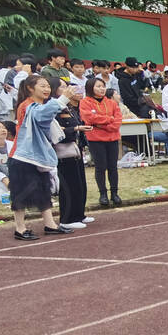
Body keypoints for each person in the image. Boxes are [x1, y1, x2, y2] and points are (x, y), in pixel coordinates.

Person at [8, 75, 79, 240]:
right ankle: (20, 228)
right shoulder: (27, 106)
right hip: (23, 157)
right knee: (21, 193)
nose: (47, 89)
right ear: (30, 89)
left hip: (38, 156)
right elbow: (41, 115)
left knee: (44, 190)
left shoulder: (41, 105)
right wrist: (62, 99)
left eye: (48, 86)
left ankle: (50, 224)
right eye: (42, 86)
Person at [51, 78, 92, 228]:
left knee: (80, 184)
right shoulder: (53, 108)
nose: (68, 89)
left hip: (76, 149)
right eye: (62, 87)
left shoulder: (68, 107)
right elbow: (56, 132)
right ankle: (67, 219)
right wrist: (74, 129)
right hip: (63, 151)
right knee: (68, 186)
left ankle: (79, 214)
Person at [80, 76, 124, 206]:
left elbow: (117, 119)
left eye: (103, 86)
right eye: (98, 86)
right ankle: (103, 194)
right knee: (100, 167)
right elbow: (89, 118)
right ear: (90, 88)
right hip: (96, 139)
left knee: (113, 167)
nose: (101, 89)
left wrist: (106, 124)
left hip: (112, 138)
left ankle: (114, 193)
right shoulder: (85, 102)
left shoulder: (111, 103)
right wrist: (108, 119)